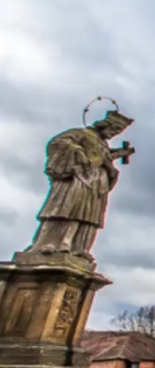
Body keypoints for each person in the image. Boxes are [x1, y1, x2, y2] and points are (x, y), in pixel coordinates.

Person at [26, 110, 135, 260]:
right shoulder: (81, 134)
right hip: (78, 180)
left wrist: (114, 157)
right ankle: (51, 243)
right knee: (66, 209)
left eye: (117, 132)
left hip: (97, 185)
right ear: (105, 124)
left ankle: (78, 248)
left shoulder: (103, 144)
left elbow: (100, 159)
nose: (114, 133)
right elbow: (58, 142)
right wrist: (77, 151)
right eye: (114, 129)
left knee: (88, 215)